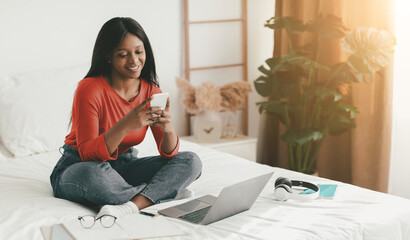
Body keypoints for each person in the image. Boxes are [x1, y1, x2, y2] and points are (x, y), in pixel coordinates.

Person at [50, 17, 202, 218]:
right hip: (80, 166)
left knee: (191, 161)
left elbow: (169, 156)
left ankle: (131, 204)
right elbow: (87, 153)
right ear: (108, 57)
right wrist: (125, 125)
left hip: (124, 166)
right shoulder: (89, 88)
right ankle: (162, 195)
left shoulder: (152, 91)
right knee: (94, 175)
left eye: (139, 52)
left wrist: (168, 128)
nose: (134, 61)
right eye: (123, 55)